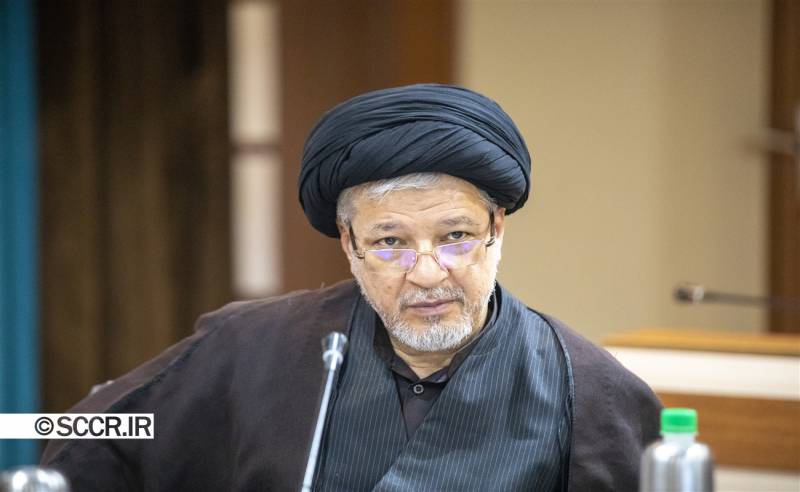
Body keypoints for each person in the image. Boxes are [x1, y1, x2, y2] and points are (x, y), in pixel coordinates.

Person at [43, 84, 661, 491]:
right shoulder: (256, 345)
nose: (427, 272)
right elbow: (96, 430)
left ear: (497, 228)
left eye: (456, 236)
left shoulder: (590, 391)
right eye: (390, 242)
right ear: (348, 243)